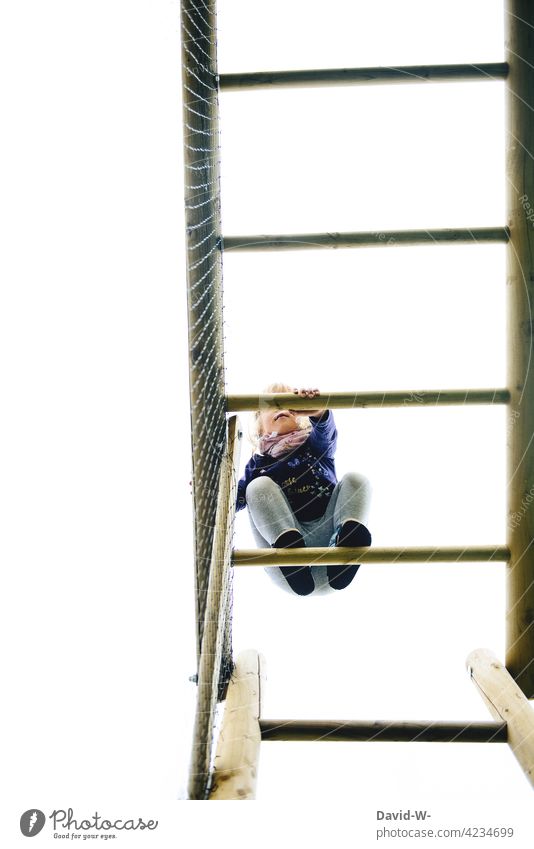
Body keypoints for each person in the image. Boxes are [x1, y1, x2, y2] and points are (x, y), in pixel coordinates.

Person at [235, 383, 373, 596]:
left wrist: (317, 410)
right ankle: (289, 545)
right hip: (288, 566)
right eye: (274, 404)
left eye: (290, 404)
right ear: (260, 426)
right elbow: (234, 500)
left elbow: (325, 431)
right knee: (256, 487)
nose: (283, 408)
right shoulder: (257, 465)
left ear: (301, 416)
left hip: (332, 551)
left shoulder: (316, 446)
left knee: (357, 479)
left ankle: (348, 537)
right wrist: (206, 489)